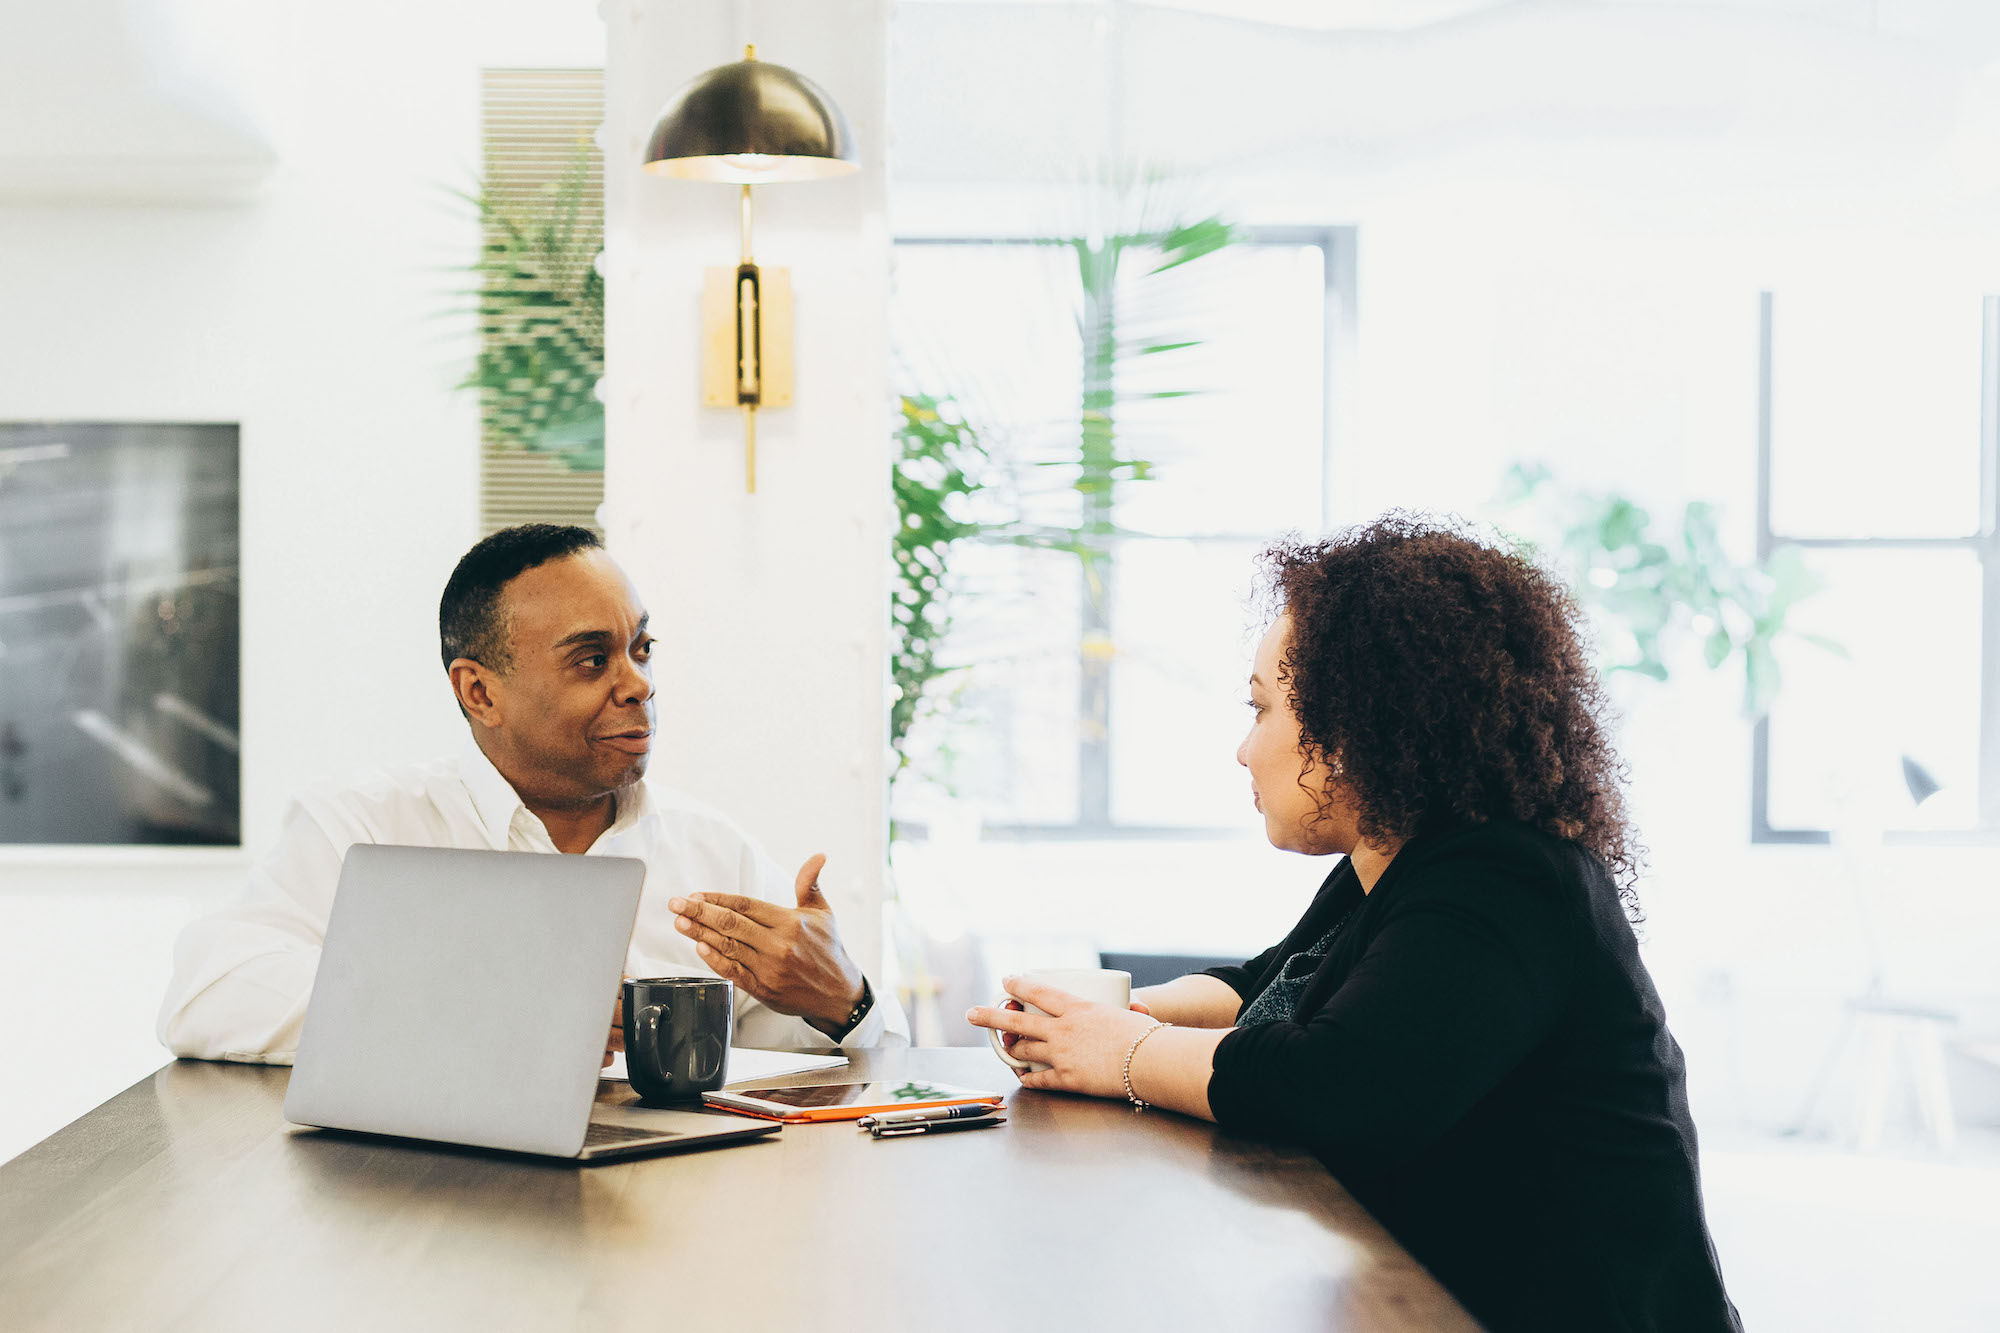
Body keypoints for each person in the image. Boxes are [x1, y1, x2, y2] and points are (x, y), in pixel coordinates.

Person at [967, 515, 1740, 1333]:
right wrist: (1099, 1017)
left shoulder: (1503, 885)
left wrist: (1121, 1053)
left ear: (1353, 729)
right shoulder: (1394, 861)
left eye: (1261, 709)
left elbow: (1335, 1087)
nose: (1241, 748)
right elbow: (1264, 988)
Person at [160, 524, 903, 1062]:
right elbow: (210, 991)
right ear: (480, 691)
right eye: (592, 659)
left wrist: (843, 998)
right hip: (427, 1223)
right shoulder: (365, 829)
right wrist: (493, 1009)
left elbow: (861, 1057)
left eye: (641, 649)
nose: (639, 683)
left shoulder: (713, 852)